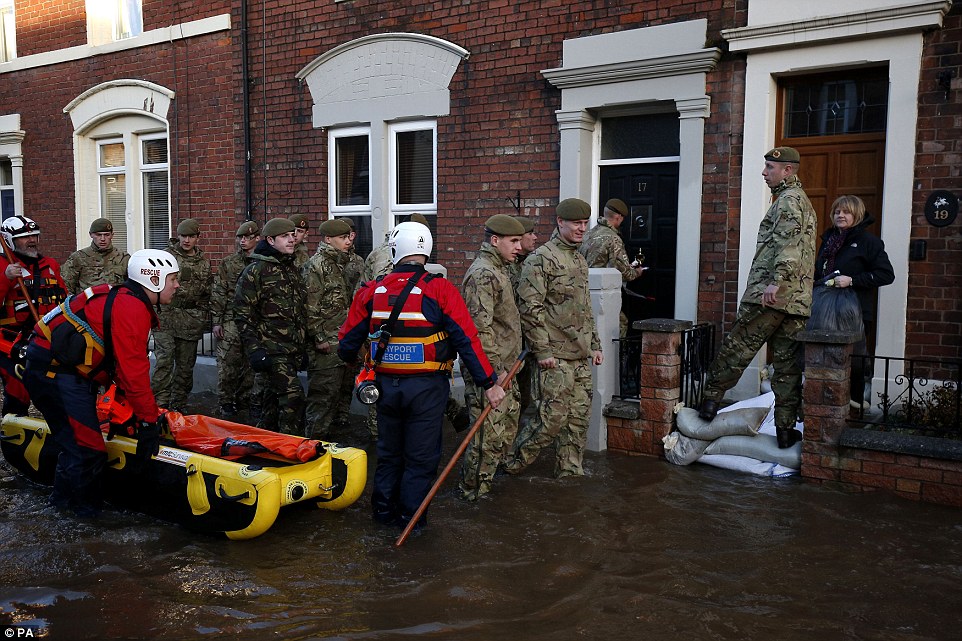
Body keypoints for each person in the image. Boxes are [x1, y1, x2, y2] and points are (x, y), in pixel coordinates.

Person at [338, 221, 506, 530]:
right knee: (421, 459)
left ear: (395, 252)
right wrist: (489, 384)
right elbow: (467, 340)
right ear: (426, 251)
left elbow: (345, 344)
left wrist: (360, 362)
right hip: (427, 390)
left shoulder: (372, 291)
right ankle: (412, 525)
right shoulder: (440, 289)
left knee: (389, 455)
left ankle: (382, 519)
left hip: (385, 388)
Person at [21, 249, 179, 518]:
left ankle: (60, 508)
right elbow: (134, 372)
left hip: (54, 369)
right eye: (173, 279)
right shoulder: (132, 308)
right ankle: (85, 521)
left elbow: (120, 367)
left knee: (75, 444)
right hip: (55, 374)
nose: (177, 285)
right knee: (88, 449)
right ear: (154, 279)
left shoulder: (124, 299)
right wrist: (148, 422)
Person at [697, 146, 817, 449]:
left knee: (737, 348)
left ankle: (709, 403)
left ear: (787, 170)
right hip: (797, 301)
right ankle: (786, 430)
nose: (764, 173)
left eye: (770, 168)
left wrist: (776, 283)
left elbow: (787, 247)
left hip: (771, 296)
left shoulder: (788, 202)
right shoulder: (801, 201)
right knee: (787, 366)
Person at [505, 198, 603, 478]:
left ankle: (569, 473)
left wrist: (594, 345)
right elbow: (530, 308)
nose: (582, 228)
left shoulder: (580, 259)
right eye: (576, 223)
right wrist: (542, 351)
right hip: (554, 359)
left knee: (578, 420)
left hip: (580, 355)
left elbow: (585, 309)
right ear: (560, 222)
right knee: (549, 420)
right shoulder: (541, 259)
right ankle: (510, 465)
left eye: (585, 223)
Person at [457, 214, 525, 501]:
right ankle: (472, 492)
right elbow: (479, 330)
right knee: (487, 436)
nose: (519, 247)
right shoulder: (483, 273)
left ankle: (487, 487)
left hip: (507, 368)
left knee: (503, 433)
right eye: (514, 241)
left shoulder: (501, 269)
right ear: (495, 240)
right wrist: (492, 374)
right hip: (491, 372)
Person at [812, 195, 894, 407]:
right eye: (837, 211)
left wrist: (852, 280)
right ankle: (825, 405)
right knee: (825, 359)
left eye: (846, 212)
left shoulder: (869, 242)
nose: (841, 215)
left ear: (856, 215)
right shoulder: (828, 241)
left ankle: (855, 408)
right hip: (823, 311)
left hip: (854, 312)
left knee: (853, 362)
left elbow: (886, 275)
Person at [234, 218, 307, 435]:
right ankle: (291, 448)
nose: (292, 239)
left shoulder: (290, 268)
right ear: (270, 240)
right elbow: (242, 313)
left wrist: (302, 347)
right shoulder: (256, 271)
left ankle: (264, 444)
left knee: (272, 405)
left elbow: (298, 311)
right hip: (271, 349)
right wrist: (255, 350)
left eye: (293, 235)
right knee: (293, 398)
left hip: (290, 349)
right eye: (285, 236)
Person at [0, 215, 67, 416]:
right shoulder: (3, 266)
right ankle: (13, 435)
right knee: (17, 390)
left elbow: (63, 300)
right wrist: (5, 278)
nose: (32, 241)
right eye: (24, 237)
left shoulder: (50, 265)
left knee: (51, 390)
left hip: (45, 338)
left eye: (34, 236)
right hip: (11, 342)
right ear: (9, 240)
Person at [151, 219, 212, 412]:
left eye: (191, 236)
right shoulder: (165, 257)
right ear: (178, 236)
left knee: (185, 367)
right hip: (166, 318)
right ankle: (159, 405)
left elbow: (207, 292)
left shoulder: (203, 263)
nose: (186, 240)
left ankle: (178, 406)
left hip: (191, 321)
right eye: (183, 236)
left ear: (197, 238)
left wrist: (202, 315)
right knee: (164, 362)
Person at [303, 218, 354, 438]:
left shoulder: (339, 263)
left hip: (340, 339)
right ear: (327, 239)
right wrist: (318, 337)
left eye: (348, 237)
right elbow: (309, 306)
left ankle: (326, 446)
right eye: (342, 238)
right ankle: (311, 445)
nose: (347, 242)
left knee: (335, 397)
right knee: (321, 398)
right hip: (326, 344)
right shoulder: (317, 265)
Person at [211, 220, 260, 418]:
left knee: (251, 365)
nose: (243, 241)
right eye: (240, 237)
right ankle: (226, 402)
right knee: (227, 364)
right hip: (231, 320)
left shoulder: (262, 263)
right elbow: (219, 292)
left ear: (257, 238)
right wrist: (217, 321)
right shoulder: (229, 263)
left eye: (248, 237)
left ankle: (245, 399)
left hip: (255, 321)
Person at [579, 198, 646, 337]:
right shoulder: (613, 238)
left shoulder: (588, 234)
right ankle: (615, 359)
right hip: (602, 292)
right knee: (619, 324)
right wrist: (637, 272)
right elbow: (624, 273)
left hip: (582, 291)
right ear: (618, 217)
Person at [510, 215, 540, 426]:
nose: (535, 237)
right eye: (530, 233)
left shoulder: (527, 264)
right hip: (511, 347)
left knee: (524, 398)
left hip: (525, 345)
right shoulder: (507, 268)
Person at [60, 218, 131, 293]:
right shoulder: (78, 258)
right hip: (88, 302)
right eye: (98, 235)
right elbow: (66, 285)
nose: (103, 239)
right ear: (91, 234)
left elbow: (132, 286)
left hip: (116, 302)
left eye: (107, 235)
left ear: (112, 235)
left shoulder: (123, 258)